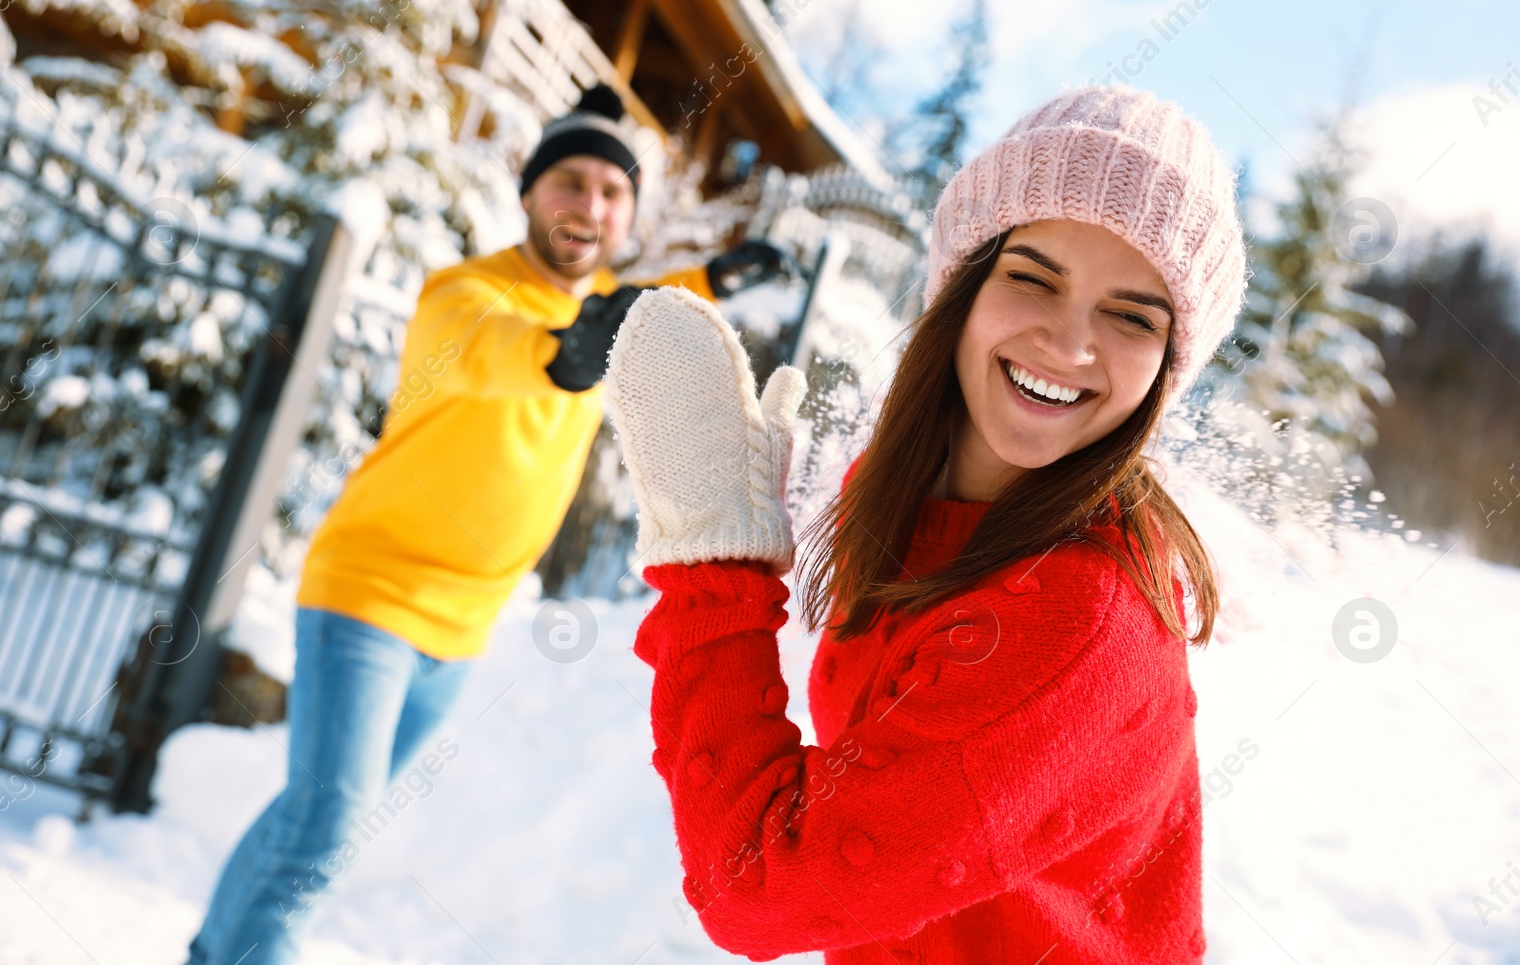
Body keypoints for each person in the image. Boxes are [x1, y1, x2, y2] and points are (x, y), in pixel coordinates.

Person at [602, 84, 1248, 963]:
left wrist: (713, 567)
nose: (1070, 343)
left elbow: (756, 886)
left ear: (1168, 365)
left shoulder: (1078, 611)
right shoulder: (909, 493)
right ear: (965, 287)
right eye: (1033, 276)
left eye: (1133, 316)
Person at [184, 84, 788, 965]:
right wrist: (563, 354)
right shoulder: (465, 293)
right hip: (371, 598)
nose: (590, 204)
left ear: (627, 217)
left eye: (612, 192)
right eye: (570, 182)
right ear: (530, 193)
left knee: (318, 824)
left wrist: (712, 282)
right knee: (322, 828)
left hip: (462, 628)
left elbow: (637, 304)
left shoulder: (609, 304)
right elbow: (501, 346)